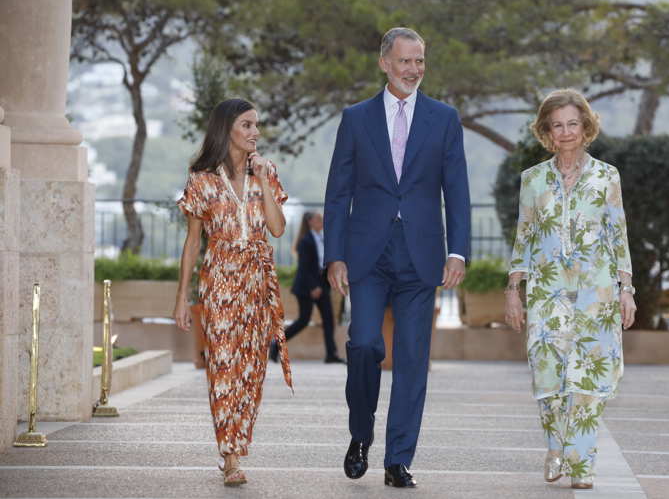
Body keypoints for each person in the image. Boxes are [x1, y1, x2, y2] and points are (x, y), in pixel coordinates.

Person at [323, 27, 470, 488]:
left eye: (420, 61)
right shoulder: (356, 118)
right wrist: (335, 255)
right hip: (367, 254)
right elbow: (337, 193)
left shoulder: (444, 118)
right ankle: (360, 434)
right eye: (405, 61)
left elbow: (457, 192)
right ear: (385, 63)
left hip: (422, 256)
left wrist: (458, 250)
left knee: (412, 360)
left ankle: (398, 459)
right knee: (364, 343)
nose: (414, 70)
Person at [504, 89, 636, 490]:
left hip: (596, 295)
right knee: (548, 377)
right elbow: (524, 237)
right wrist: (514, 289)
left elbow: (618, 235)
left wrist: (626, 288)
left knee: (587, 383)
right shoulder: (533, 179)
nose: (566, 132)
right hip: (547, 293)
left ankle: (581, 465)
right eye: (557, 125)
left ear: (586, 127)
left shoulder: (606, 176)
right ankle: (555, 447)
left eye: (572, 124)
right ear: (546, 131)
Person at [172, 98, 293, 487]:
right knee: (223, 365)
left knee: (252, 370)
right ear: (227, 129)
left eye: (256, 125)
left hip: (258, 281)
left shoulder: (267, 171)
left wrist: (263, 181)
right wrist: (181, 299)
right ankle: (230, 457)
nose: (255, 132)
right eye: (247, 125)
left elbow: (276, 229)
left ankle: (239, 440)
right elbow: (193, 243)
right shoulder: (201, 179)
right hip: (220, 278)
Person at [270, 211, 345, 364]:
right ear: (310, 222)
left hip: (321, 285)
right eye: (318, 219)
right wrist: (313, 287)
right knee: (303, 320)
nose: (321, 221)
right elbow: (304, 268)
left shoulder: (323, 239)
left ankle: (331, 354)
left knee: (328, 319)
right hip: (306, 287)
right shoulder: (305, 241)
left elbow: (322, 264)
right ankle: (275, 345)